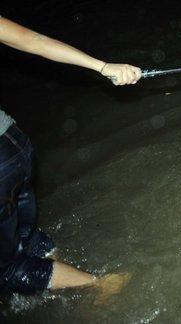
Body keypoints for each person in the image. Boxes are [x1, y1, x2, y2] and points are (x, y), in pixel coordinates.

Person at [0, 16, 141, 300]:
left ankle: (101, 285)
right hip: (14, 145)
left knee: (6, 270)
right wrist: (103, 67)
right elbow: (33, 40)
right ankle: (55, 276)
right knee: (26, 234)